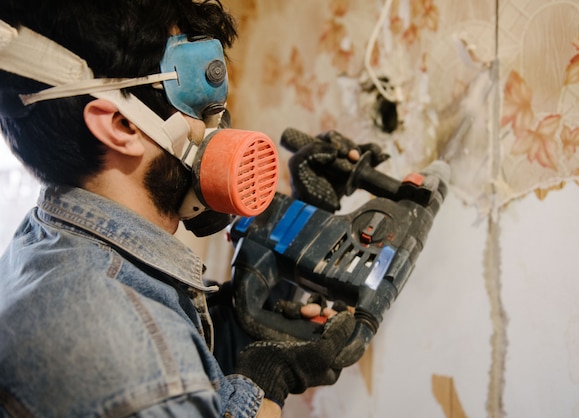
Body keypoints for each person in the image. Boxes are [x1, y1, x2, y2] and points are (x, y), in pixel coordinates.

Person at [0, 1, 368, 417]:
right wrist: (268, 382)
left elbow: (181, 359)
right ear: (120, 125)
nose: (218, 126)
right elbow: (153, 367)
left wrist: (246, 324)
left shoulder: (47, 247)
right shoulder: (124, 350)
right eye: (197, 104)